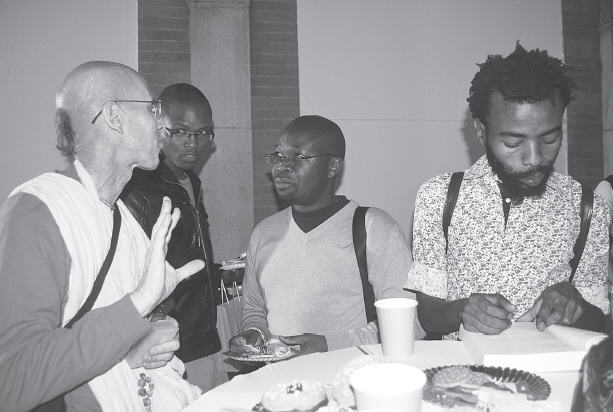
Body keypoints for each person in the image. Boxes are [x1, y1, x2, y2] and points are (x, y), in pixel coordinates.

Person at [0, 62, 205, 411]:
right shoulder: (39, 211)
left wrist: (145, 336)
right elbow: (12, 380)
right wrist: (139, 302)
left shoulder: (124, 219)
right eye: (154, 109)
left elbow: (118, 336)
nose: (162, 122)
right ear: (114, 116)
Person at [406, 43, 609, 340]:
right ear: (480, 131)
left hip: (554, 375)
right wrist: (461, 310)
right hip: (465, 374)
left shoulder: (588, 207)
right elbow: (427, 315)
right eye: (514, 143)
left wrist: (575, 303)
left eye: (549, 138)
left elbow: (598, 320)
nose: (534, 157)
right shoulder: (439, 197)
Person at [229, 115, 422, 355]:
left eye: (298, 157)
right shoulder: (263, 234)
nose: (281, 167)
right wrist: (254, 333)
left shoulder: (375, 229)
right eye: (278, 156)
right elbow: (255, 310)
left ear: (332, 166)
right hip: (278, 386)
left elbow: (408, 325)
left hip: (347, 383)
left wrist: (329, 345)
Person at [121, 83, 226, 391]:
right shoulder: (136, 188)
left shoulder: (191, 181)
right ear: (158, 127)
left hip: (206, 340)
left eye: (202, 132)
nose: (192, 143)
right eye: (180, 131)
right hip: (166, 351)